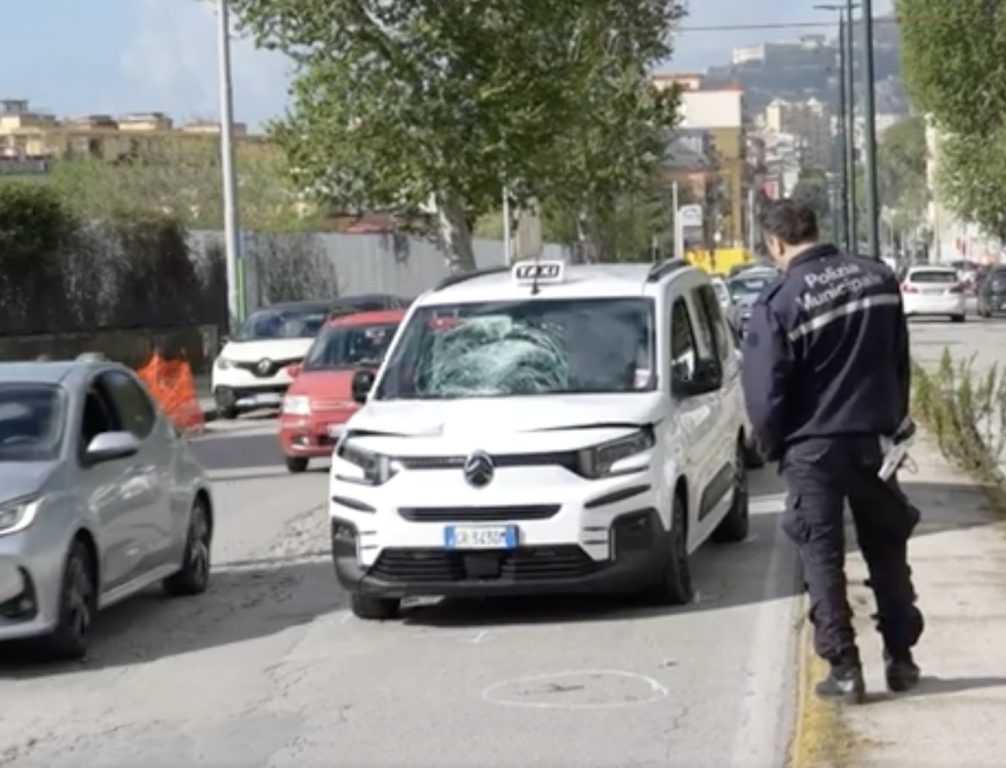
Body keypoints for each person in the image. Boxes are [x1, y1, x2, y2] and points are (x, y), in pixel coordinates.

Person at [741, 199, 923, 704]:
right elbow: (898, 360)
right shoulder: (878, 278)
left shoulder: (778, 301)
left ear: (775, 243)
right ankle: (902, 659)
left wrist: (772, 446)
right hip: (875, 439)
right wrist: (894, 421)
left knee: (821, 556)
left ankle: (844, 669)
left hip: (813, 447)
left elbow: (765, 392)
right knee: (887, 548)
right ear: (815, 230)